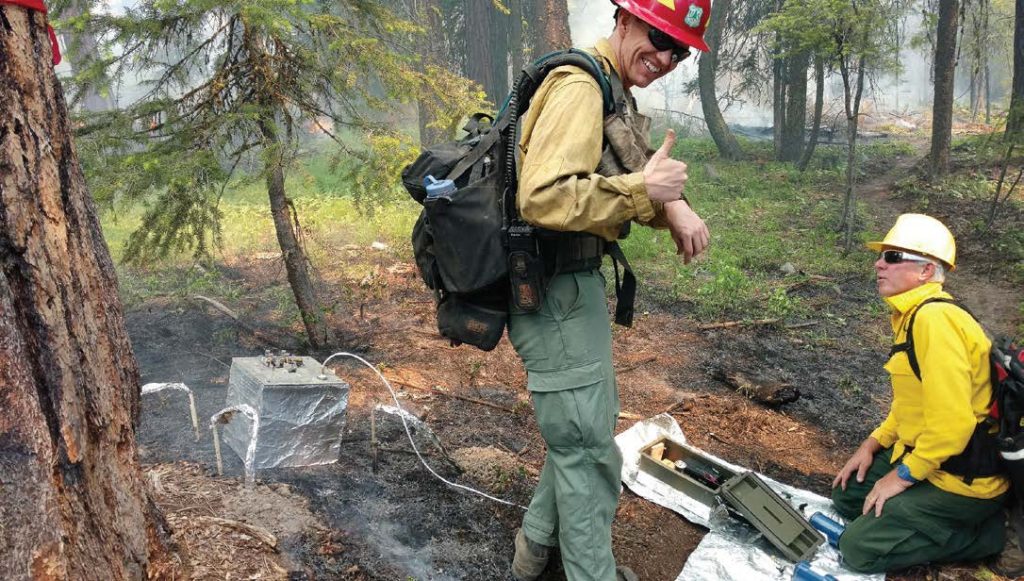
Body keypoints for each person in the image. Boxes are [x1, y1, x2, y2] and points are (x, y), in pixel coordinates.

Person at [508, 1, 712, 580]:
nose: (668, 57)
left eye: (681, 50)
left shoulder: (610, 86)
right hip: (552, 291)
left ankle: (535, 561)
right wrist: (646, 191)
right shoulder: (580, 87)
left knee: (583, 430)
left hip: (569, 287)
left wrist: (666, 203)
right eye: (659, 37)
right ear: (624, 20)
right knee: (589, 451)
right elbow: (544, 197)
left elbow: (617, 176)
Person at [830, 213, 1009, 573]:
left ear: (926, 271)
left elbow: (953, 425)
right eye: (882, 256)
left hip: (961, 479)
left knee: (858, 550)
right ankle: (920, 512)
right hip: (929, 455)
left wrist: (902, 477)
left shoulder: (934, 320)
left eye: (893, 257)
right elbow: (912, 404)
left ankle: (989, 536)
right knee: (848, 496)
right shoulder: (911, 315)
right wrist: (872, 443)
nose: (879, 264)